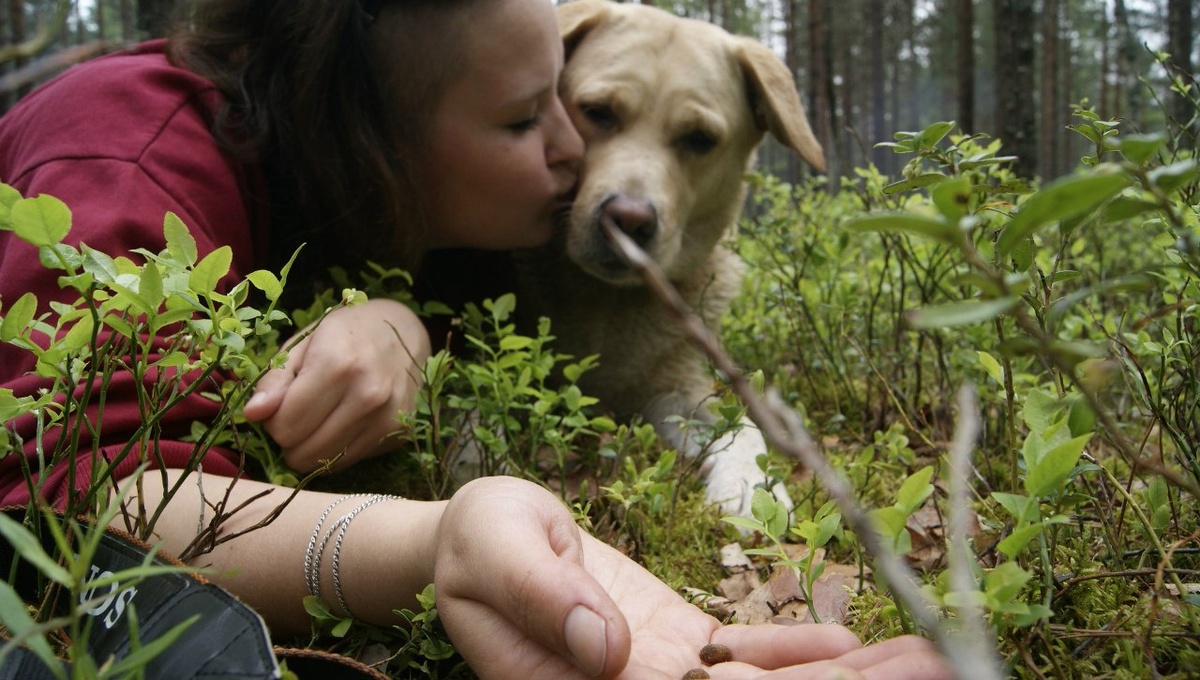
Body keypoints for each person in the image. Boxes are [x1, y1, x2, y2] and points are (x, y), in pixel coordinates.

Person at [0, 0, 954, 678]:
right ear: (369, 123)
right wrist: (431, 542)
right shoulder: (123, 156)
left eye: (560, 97)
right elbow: (73, 498)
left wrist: (405, 325)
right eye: (523, 115)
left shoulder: (446, 222)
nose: (577, 155)